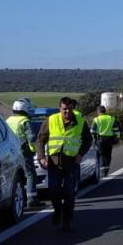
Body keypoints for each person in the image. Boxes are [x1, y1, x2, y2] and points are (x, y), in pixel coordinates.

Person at [36, 97, 92, 231]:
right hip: (54, 162)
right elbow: (40, 140)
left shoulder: (80, 122)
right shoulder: (51, 120)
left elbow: (87, 140)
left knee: (69, 193)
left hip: (71, 162)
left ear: (73, 109)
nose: (67, 112)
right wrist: (41, 157)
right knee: (53, 191)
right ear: (60, 109)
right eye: (64, 109)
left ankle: (67, 221)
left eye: (69, 109)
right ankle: (58, 211)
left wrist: (80, 154)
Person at [6, 97, 41, 206]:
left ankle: (18, 198)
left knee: (15, 176)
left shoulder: (8, 120)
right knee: (30, 174)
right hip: (23, 151)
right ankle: (31, 199)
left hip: (11, 153)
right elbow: (31, 138)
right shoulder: (24, 121)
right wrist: (33, 149)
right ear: (25, 109)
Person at [91, 105, 119, 177]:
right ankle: (106, 170)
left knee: (101, 155)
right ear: (105, 111)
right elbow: (116, 129)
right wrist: (117, 138)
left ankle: (103, 171)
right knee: (108, 155)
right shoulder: (112, 118)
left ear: (98, 111)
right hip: (109, 139)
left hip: (100, 139)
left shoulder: (96, 119)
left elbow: (92, 131)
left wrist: (93, 139)